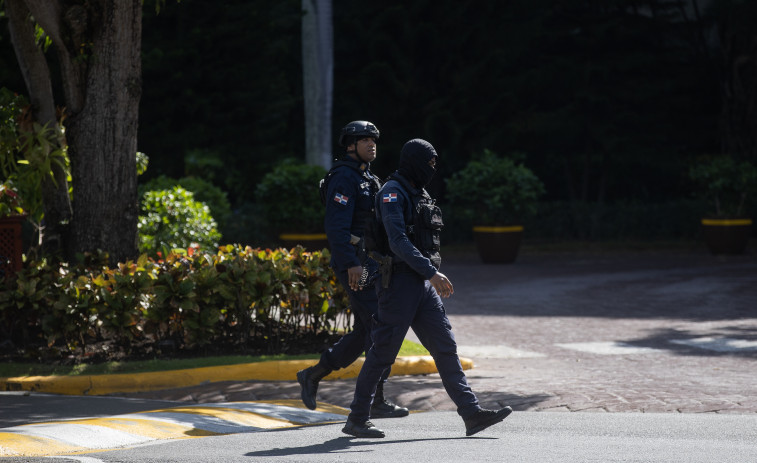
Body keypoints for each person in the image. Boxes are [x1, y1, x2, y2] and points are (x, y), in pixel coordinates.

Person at [342, 138, 513, 438]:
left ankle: (471, 414)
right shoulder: (391, 193)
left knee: (445, 347)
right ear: (415, 161)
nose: (433, 168)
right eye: (430, 162)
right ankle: (356, 418)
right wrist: (432, 272)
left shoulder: (418, 192)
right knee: (382, 354)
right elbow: (397, 241)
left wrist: (427, 276)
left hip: (420, 285)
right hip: (398, 285)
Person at [296, 120, 408, 419]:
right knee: (381, 325)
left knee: (365, 330)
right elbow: (336, 227)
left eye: (374, 139)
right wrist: (351, 264)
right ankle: (376, 400)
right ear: (350, 145)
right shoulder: (344, 178)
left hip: (370, 264)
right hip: (355, 266)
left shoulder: (367, 177)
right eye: (364, 140)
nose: (372, 144)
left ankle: (313, 374)